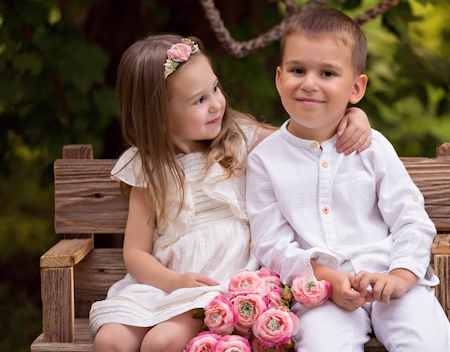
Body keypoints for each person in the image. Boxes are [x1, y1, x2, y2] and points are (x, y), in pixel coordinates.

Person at [88, 33, 372, 352]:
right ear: (158, 115)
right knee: (110, 340)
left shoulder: (240, 140)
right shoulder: (149, 167)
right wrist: (173, 282)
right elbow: (136, 252)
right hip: (164, 282)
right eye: (199, 100)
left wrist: (353, 114)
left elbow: (305, 133)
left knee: (161, 342)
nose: (216, 104)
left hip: (220, 283)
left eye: (215, 89)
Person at [245, 8, 450, 352]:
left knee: (426, 342)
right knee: (322, 346)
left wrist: (401, 277)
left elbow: (411, 218)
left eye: (327, 73)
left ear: (356, 88)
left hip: (390, 278)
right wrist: (327, 278)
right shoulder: (265, 161)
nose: (309, 83)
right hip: (322, 291)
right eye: (298, 70)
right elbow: (271, 244)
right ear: (279, 78)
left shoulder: (371, 147)